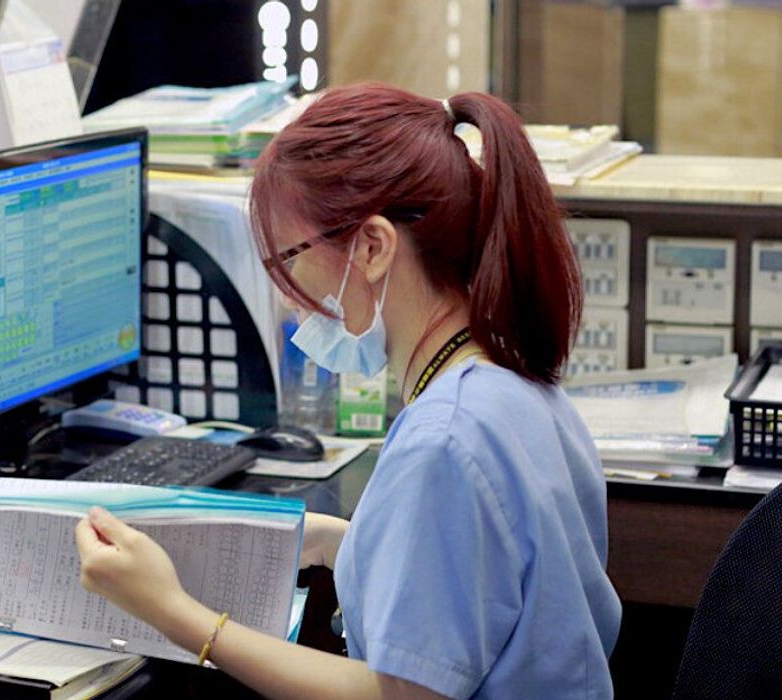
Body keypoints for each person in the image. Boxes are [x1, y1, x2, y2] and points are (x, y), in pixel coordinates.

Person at [73, 83, 622, 700]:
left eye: (292, 261)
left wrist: (172, 611)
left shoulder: (443, 439)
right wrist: (344, 542)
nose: (288, 298)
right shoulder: (514, 381)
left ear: (373, 246)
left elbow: (402, 696)